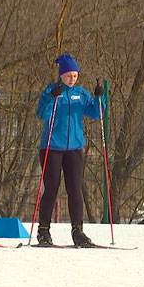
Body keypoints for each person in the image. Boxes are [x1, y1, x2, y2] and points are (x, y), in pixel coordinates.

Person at [35, 53, 105, 247]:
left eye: (75, 76)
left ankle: (78, 230)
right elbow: (41, 114)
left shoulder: (80, 94)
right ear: (61, 75)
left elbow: (95, 113)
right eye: (68, 76)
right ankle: (43, 230)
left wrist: (100, 98)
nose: (72, 79)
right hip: (52, 146)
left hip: (74, 147)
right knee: (51, 188)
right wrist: (52, 98)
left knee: (75, 188)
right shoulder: (50, 91)